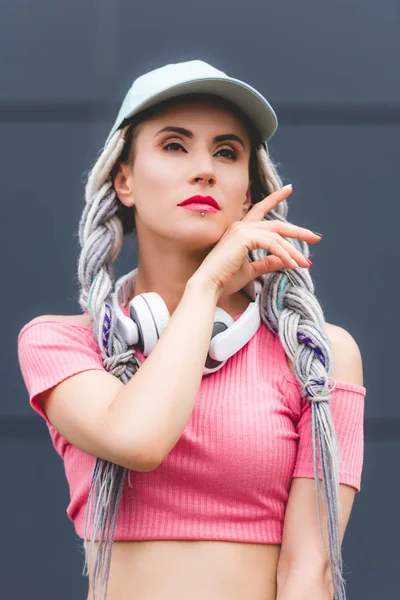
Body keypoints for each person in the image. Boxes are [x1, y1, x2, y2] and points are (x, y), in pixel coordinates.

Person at [17, 59, 366, 600]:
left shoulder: (319, 355)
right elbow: (138, 439)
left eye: (226, 153)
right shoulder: (60, 343)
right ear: (125, 180)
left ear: (248, 195)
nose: (204, 169)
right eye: (175, 145)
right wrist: (206, 288)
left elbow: (310, 571)